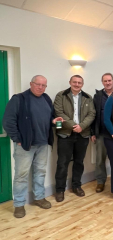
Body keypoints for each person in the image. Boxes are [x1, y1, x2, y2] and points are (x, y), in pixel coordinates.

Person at [2, 75, 63, 218]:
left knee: (40, 172)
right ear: (31, 84)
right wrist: (17, 139)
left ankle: (39, 198)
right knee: (21, 176)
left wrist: (54, 121)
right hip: (25, 145)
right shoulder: (19, 99)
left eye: (43, 85)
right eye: (38, 84)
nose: (40, 87)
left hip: (43, 143)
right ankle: (19, 204)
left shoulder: (46, 98)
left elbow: (48, 117)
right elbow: (8, 121)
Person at [54, 75, 96, 202]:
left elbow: (92, 114)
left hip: (82, 135)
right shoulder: (61, 95)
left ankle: (76, 186)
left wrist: (81, 126)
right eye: (75, 82)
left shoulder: (88, 97)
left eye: (79, 82)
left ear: (82, 84)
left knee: (79, 162)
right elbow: (59, 112)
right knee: (62, 163)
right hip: (65, 134)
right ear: (70, 82)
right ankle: (60, 190)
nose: (77, 84)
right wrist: (73, 125)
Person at [91, 73, 113, 193]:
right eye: (105, 81)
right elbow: (93, 115)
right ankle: (100, 182)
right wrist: (93, 132)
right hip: (101, 133)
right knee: (100, 159)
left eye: (109, 80)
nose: (108, 83)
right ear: (102, 82)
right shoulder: (98, 96)